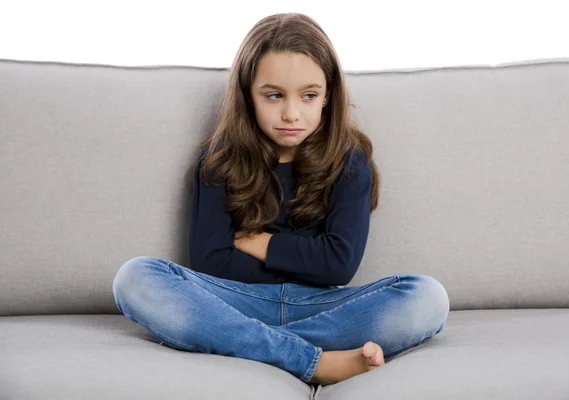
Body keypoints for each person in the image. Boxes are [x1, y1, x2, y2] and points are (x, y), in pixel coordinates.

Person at [112, 12, 450, 386]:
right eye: (274, 96)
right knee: (135, 278)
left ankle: (231, 339)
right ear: (248, 95)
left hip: (322, 306)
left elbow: (338, 265)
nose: (292, 114)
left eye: (309, 96)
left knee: (427, 298)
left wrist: (256, 242)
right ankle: (313, 360)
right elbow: (213, 265)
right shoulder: (220, 160)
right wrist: (306, 257)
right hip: (234, 301)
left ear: (327, 96)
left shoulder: (349, 161)